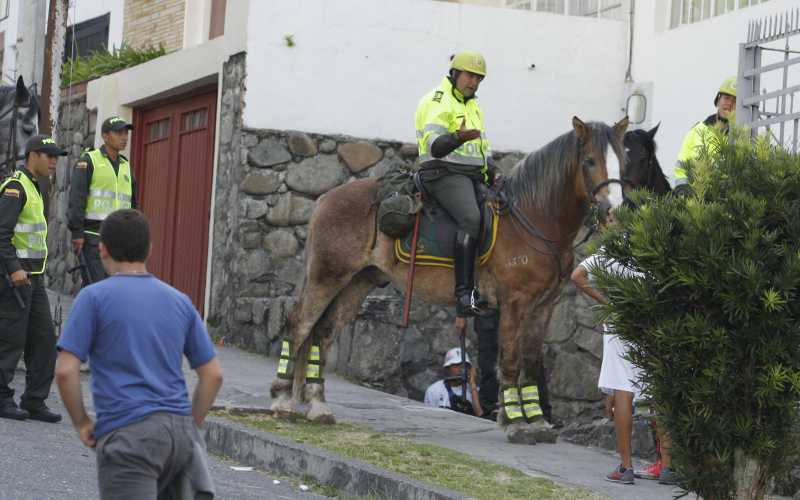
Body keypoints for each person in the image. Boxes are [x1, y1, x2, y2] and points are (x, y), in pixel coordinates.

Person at [55, 209, 223, 498]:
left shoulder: (93, 298)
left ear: (103, 249)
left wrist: (82, 422)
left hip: (129, 435)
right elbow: (213, 375)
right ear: (149, 250)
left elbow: (65, 371)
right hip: (178, 434)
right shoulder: (180, 301)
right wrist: (190, 424)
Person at [415, 51, 497, 318]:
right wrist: (458, 137)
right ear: (454, 74)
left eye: (479, 79)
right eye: (470, 76)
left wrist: (492, 171)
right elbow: (435, 147)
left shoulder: (473, 106)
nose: (473, 82)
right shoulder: (438, 100)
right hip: (442, 173)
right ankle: (464, 294)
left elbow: (481, 149)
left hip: (471, 174)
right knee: (471, 218)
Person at [0, 135, 66, 422]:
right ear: (33, 155)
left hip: (34, 277)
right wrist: (14, 268)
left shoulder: (37, 186)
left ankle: (35, 400)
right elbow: (1, 234)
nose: (54, 162)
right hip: (14, 276)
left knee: (44, 339)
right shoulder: (16, 187)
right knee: (10, 339)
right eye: (49, 156)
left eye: (55, 157)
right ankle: (2, 397)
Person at [571, 248, 645, 485]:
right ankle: (668, 466)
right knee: (657, 395)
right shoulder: (656, 236)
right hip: (650, 321)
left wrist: (610, 305)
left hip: (620, 324)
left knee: (623, 390)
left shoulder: (613, 247)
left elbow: (577, 276)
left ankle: (626, 466)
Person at [67, 116, 137, 284]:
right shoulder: (89, 161)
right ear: (105, 136)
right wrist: (77, 233)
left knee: (114, 289)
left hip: (120, 239)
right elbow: (77, 198)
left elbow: (133, 204)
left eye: (126, 133)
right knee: (95, 286)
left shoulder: (126, 166)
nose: (124, 137)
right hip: (94, 237)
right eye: (119, 133)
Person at [474, 311, 553, 423]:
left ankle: (541, 412)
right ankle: (491, 414)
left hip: (520, 312)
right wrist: (461, 314)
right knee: (490, 364)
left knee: (531, 363)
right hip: (489, 312)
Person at [674, 76, 737, 195]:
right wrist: (682, 186)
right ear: (718, 100)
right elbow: (681, 166)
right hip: (695, 201)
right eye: (726, 98)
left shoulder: (741, 138)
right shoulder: (696, 131)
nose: (729, 103)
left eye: (734, 101)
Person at [424, 347, 483, 417]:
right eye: (456, 366)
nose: (461, 369)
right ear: (448, 368)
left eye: (463, 365)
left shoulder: (475, 392)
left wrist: (473, 383)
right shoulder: (434, 390)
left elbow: (480, 415)